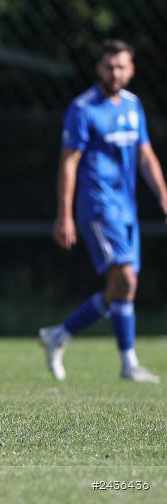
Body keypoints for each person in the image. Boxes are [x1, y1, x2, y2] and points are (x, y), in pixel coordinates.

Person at [40, 39, 167, 383]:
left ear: (131, 69)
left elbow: (145, 155)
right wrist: (64, 213)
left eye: (121, 66)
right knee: (125, 279)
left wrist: (163, 193)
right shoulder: (83, 108)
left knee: (123, 287)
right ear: (99, 68)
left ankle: (60, 335)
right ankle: (127, 363)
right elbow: (69, 163)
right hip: (98, 207)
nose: (115, 73)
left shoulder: (133, 105)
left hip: (127, 209)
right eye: (109, 66)